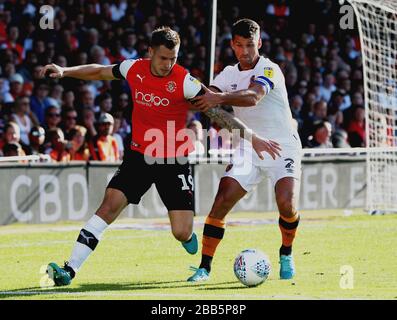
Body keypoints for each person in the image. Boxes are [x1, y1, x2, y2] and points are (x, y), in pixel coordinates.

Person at [40, 26, 281, 286]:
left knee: (181, 231)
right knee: (108, 206)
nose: (168, 64)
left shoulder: (185, 81)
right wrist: (66, 71)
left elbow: (218, 115)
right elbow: (100, 70)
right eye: (163, 58)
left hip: (173, 160)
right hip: (139, 156)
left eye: (173, 58)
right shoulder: (133, 69)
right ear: (150, 52)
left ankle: (188, 237)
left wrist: (253, 138)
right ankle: (70, 269)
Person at [187, 19, 302, 282]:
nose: (245, 51)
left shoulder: (270, 69)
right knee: (221, 201)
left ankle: (286, 252)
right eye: (239, 45)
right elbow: (207, 96)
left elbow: (254, 96)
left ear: (259, 43)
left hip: (281, 146)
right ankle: (204, 267)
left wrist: (219, 98)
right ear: (232, 46)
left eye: (250, 45)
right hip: (249, 148)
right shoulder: (227, 74)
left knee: (286, 204)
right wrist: (192, 91)